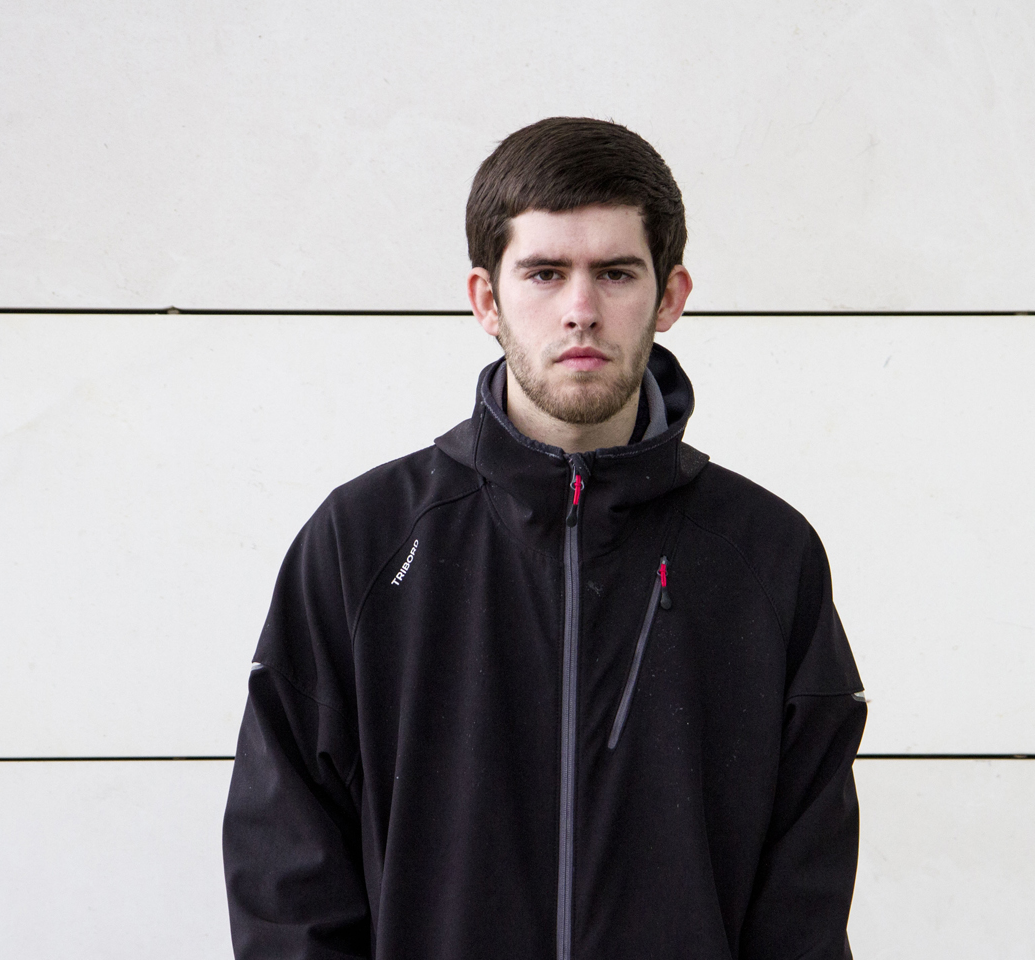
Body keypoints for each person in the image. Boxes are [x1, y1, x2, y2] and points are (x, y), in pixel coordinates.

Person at [222, 116, 866, 960]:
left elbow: (803, 905)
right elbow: (288, 880)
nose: (581, 311)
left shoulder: (767, 558)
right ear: (486, 299)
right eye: (544, 273)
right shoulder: (365, 544)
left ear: (670, 297)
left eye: (616, 273)